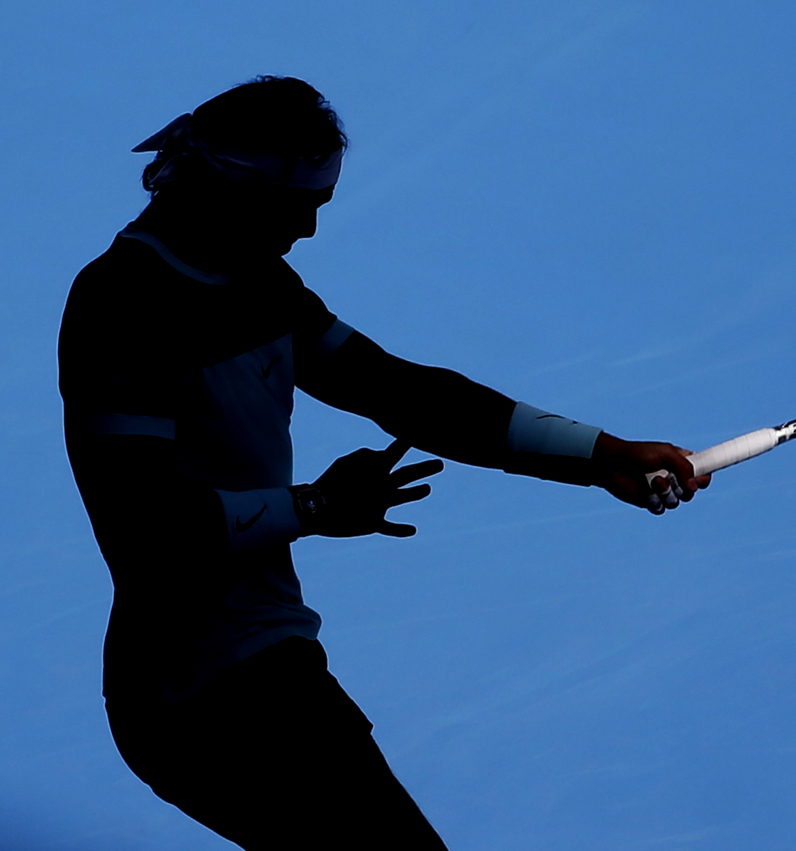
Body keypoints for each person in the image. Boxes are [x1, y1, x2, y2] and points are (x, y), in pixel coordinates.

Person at [59, 75, 710, 850]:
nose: (305, 231)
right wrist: (314, 509)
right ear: (231, 188)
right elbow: (145, 528)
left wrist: (598, 454)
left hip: (258, 664)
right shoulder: (123, 304)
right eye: (294, 208)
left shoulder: (259, 285)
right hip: (197, 689)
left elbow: (400, 391)